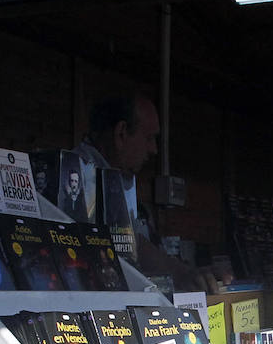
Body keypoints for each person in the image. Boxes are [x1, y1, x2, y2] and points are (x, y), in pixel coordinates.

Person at [74, 93, 202, 290]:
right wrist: (184, 273)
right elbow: (132, 245)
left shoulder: (114, 177)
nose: (154, 150)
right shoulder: (81, 175)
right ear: (121, 133)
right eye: (149, 138)